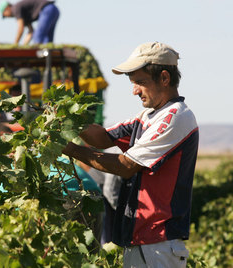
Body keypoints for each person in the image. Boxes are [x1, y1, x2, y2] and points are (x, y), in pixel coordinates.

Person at [62, 42, 199, 267]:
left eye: (140, 82)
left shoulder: (175, 117)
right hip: (143, 242)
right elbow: (103, 138)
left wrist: (72, 150)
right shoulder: (147, 116)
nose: (134, 90)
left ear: (164, 78)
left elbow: (125, 165)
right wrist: (67, 119)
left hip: (158, 243)